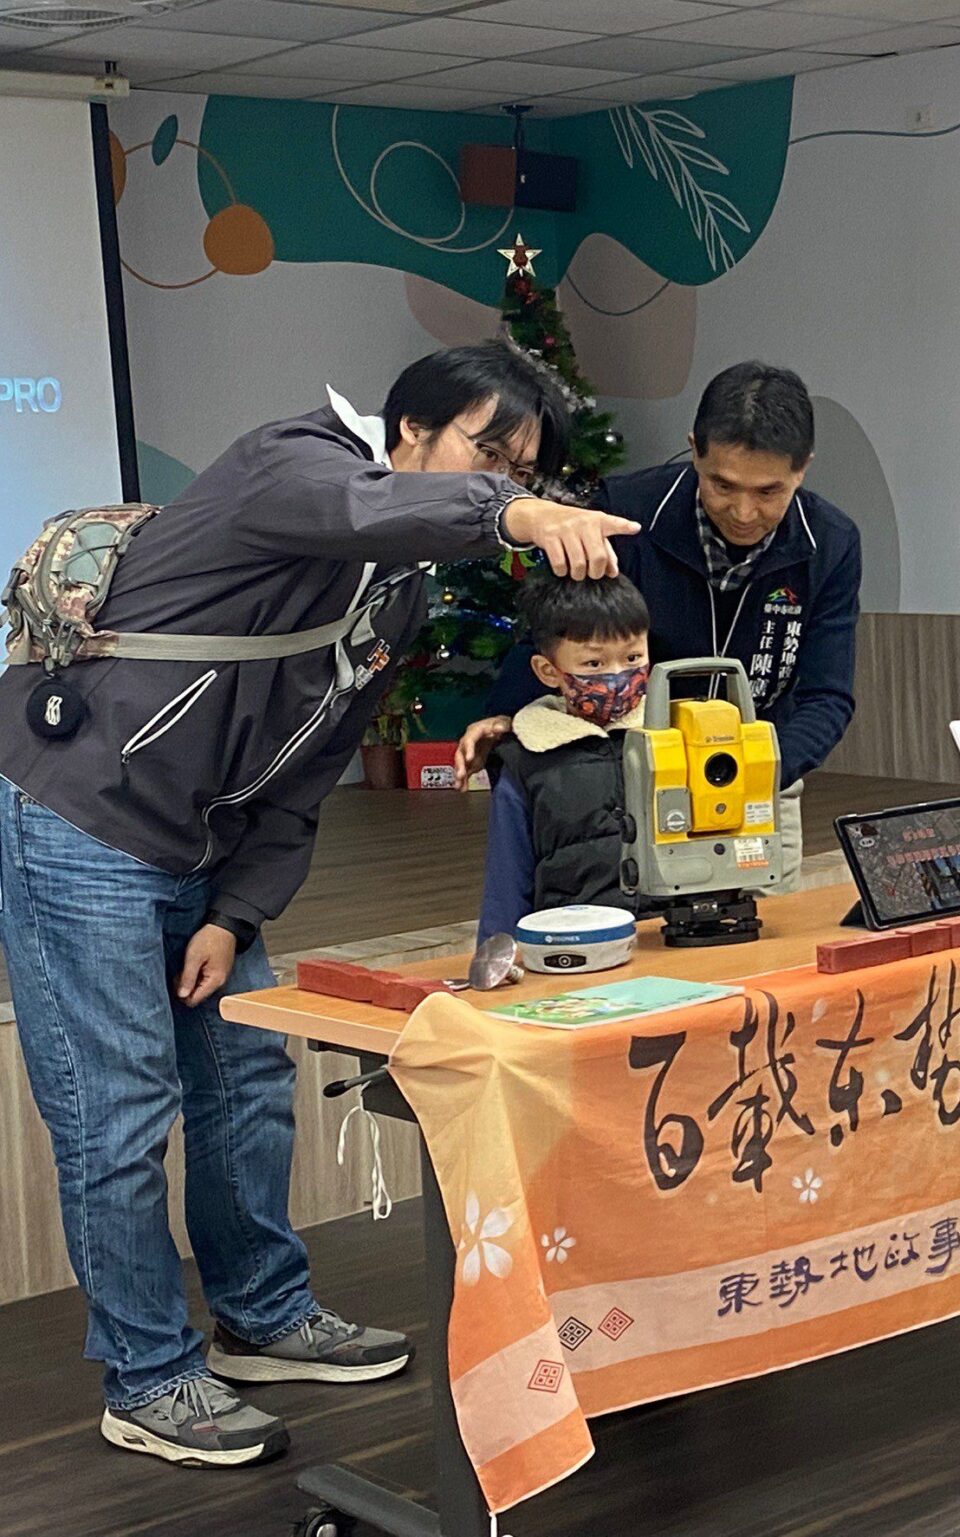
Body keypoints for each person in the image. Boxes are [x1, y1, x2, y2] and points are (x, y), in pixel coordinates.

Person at [0, 341, 636, 1467]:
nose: (505, 477)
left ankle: (261, 1316)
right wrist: (517, 514)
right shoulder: (290, 463)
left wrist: (234, 912)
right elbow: (353, 505)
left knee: (247, 1076)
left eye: (522, 466)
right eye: (488, 451)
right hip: (81, 815)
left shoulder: (398, 592)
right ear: (408, 431)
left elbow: (310, 771)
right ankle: (147, 1377)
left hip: (205, 847)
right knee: (120, 1109)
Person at [458, 362, 861, 874]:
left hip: (760, 777)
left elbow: (827, 695)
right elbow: (555, 633)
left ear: (802, 469)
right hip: (628, 772)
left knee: (763, 913)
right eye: (722, 485)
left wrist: (755, 767)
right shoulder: (626, 516)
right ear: (694, 450)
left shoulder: (830, 542)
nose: (743, 512)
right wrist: (508, 715)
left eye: (768, 492)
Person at [476, 570, 651, 944]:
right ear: (548, 671)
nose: (617, 675)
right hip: (571, 946)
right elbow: (506, 880)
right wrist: (496, 955)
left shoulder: (672, 735)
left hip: (671, 937)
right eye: (593, 664)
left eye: (633, 657)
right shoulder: (525, 761)